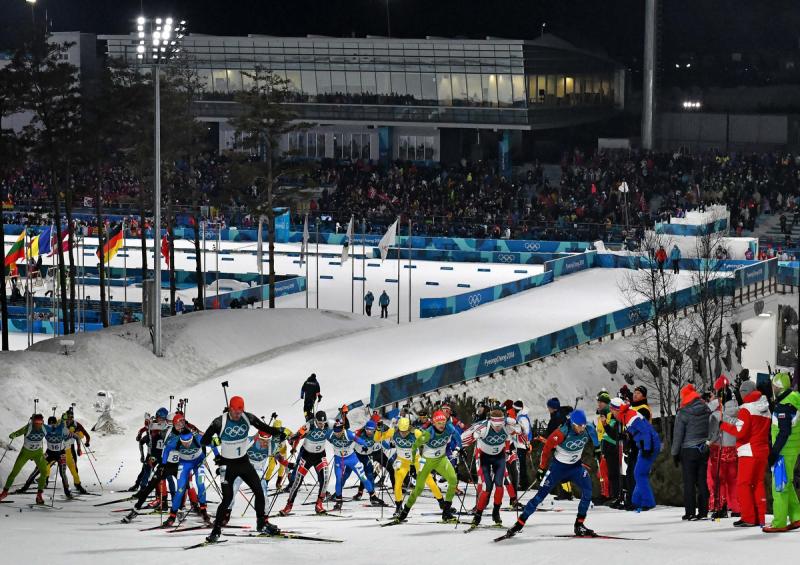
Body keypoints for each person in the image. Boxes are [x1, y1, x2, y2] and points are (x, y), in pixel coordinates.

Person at [200, 396, 286, 542]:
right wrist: (217, 440)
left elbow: (264, 428)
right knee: (227, 499)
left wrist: (278, 433)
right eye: (236, 412)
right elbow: (204, 440)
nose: (238, 415)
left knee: (259, 491)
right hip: (227, 465)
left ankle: (262, 523)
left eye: (241, 412)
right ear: (230, 408)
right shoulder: (219, 422)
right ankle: (216, 530)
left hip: (244, 463)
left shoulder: (248, 417)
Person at [504, 409, 600, 539]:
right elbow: (547, 448)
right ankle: (519, 524)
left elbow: (594, 436)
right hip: (558, 469)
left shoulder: (588, 428)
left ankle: (579, 525)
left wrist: (597, 448)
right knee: (539, 496)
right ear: (572, 423)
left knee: (588, 491)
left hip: (576, 467)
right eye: (579, 426)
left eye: (583, 425)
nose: (582, 429)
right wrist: (542, 468)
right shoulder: (561, 433)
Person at [396, 410, 463, 523]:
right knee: (419, 489)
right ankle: (404, 513)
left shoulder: (449, 428)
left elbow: (458, 437)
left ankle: (446, 512)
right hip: (426, 461)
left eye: (443, 422)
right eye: (439, 423)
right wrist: (412, 462)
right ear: (433, 423)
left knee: (453, 479)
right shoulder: (428, 433)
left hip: (441, 459)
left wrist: (459, 448)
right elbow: (415, 446)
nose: (442, 425)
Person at [720, 379, 771, 527]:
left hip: (748, 451)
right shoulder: (765, 407)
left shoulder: (746, 408)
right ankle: (760, 517)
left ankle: (748, 517)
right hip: (762, 450)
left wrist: (724, 426)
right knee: (758, 483)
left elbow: (740, 432)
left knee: (744, 484)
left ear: (744, 393)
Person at [462, 409, 521, 527]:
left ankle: (496, 512)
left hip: (498, 458)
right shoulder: (483, 427)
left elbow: (520, 432)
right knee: (487, 486)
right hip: (484, 458)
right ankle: (478, 514)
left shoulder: (507, 426)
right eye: (496, 426)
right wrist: (460, 448)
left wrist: (515, 423)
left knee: (499, 485)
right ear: (491, 421)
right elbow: (466, 436)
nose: (498, 428)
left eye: (500, 425)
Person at [382, 416, 444, 518]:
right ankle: (398, 507)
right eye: (401, 431)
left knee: (430, 481)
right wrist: (380, 430)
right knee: (397, 484)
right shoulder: (393, 431)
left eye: (405, 431)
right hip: (402, 461)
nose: (403, 434)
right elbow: (377, 438)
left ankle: (442, 503)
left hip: (416, 461)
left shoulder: (415, 433)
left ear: (409, 428)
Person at [763, 372, 800, 532]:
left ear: (779, 387)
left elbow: (784, 432)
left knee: (779, 487)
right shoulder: (794, 399)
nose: (773, 388)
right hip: (792, 450)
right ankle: (796, 516)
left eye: (774, 386)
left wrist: (774, 453)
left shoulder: (784, 405)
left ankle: (779, 523)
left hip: (783, 451)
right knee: (787, 484)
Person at [671, 383, 711, 520]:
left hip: (688, 450)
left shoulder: (683, 412)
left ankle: (690, 512)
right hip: (704, 449)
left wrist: (674, 453)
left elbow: (678, 435)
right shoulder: (706, 409)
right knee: (702, 481)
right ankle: (704, 511)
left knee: (689, 482)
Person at [161, 429, 215, 526]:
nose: (186, 444)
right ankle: (172, 516)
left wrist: (218, 458)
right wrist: (163, 464)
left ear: (191, 438)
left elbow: (213, 444)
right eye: (184, 442)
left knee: (200, 484)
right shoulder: (176, 440)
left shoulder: (198, 438)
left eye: (188, 442)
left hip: (198, 463)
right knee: (180, 489)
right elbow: (166, 450)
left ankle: (204, 511)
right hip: (184, 464)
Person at [280, 411, 330, 516]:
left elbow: (343, 426)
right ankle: (288, 506)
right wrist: (290, 439)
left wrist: (344, 414)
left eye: (323, 422)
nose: (322, 425)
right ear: (315, 420)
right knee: (297, 482)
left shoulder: (328, 424)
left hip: (320, 455)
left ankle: (319, 504)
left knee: (325, 478)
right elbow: (298, 435)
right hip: (307, 456)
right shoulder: (309, 425)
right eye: (319, 423)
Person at [327, 420, 384, 510]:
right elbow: (321, 435)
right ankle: (338, 500)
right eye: (335, 432)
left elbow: (359, 440)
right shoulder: (330, 434)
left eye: (339, 432)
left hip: (351, 459)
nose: (337, 434)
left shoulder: (348, 434)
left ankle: (373, 496)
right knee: (339, 479)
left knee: (363, 477)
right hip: (339, 459)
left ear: (342, 429)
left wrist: (365, 445)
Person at [614, 401, 661, 511]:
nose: (612, 415)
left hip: (650, 445)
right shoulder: (628, 415)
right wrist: (627, 435)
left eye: (613, 411)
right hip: (645, 445)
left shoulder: (630, 417)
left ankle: (647, 502)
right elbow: (638, 431)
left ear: (617, 411)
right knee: (639, 474)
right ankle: (636, 502)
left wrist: (647, 448)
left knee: (639, 474)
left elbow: (645, 432)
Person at [15, 416, 72, 498]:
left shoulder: (61, 428)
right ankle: (25, 487)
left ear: (56, 423)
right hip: (49, 453)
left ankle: (67, 491)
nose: (52, 425)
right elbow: (36, 429)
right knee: (37, 469)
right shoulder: (45, 428)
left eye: (53, 423)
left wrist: (69, 434)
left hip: (61, 454)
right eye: (50, 424)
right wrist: (33, 421)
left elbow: (68, 433)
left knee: (62, 473)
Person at [707, 376, 739, 519]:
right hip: (733, 447)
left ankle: (720, 506)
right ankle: (736, 506)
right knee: (733, 479)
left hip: (719, 448)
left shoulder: (716, 410)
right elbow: (739, 426)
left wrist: (709, 441)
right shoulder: (737, 408)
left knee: (718, 479)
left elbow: (712, 431)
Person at [0, 414, 50, 504]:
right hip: (25, 453)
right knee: (14, 472)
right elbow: (18, 432)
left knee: (44, 472)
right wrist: (13, 435)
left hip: (38, 454)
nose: (38, 424)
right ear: (33, 422)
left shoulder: (45, 428)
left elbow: (56, 431)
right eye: (36, 422)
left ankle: (39, 495)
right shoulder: (28, 427)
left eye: (40, 422)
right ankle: (4, 492)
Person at [596, 390, 620, 504]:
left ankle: (610, 495)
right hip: (603, 447)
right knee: (602, 474)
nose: (599, 404)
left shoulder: (611, 415)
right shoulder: (600, 416)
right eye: (598, 402)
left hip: (611, 448)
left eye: (602, 402)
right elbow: (600, 433)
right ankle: (605, 494)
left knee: (610, 473)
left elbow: (611, 433)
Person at [512, 400, 532, 490]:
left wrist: (518, 431)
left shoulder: (522, 418)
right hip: (520, 444)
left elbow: (525, 432)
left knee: (521, 465)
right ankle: (523, 483)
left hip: (522, 444)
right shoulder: (520, 416)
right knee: (521, 464)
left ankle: (523, 484)